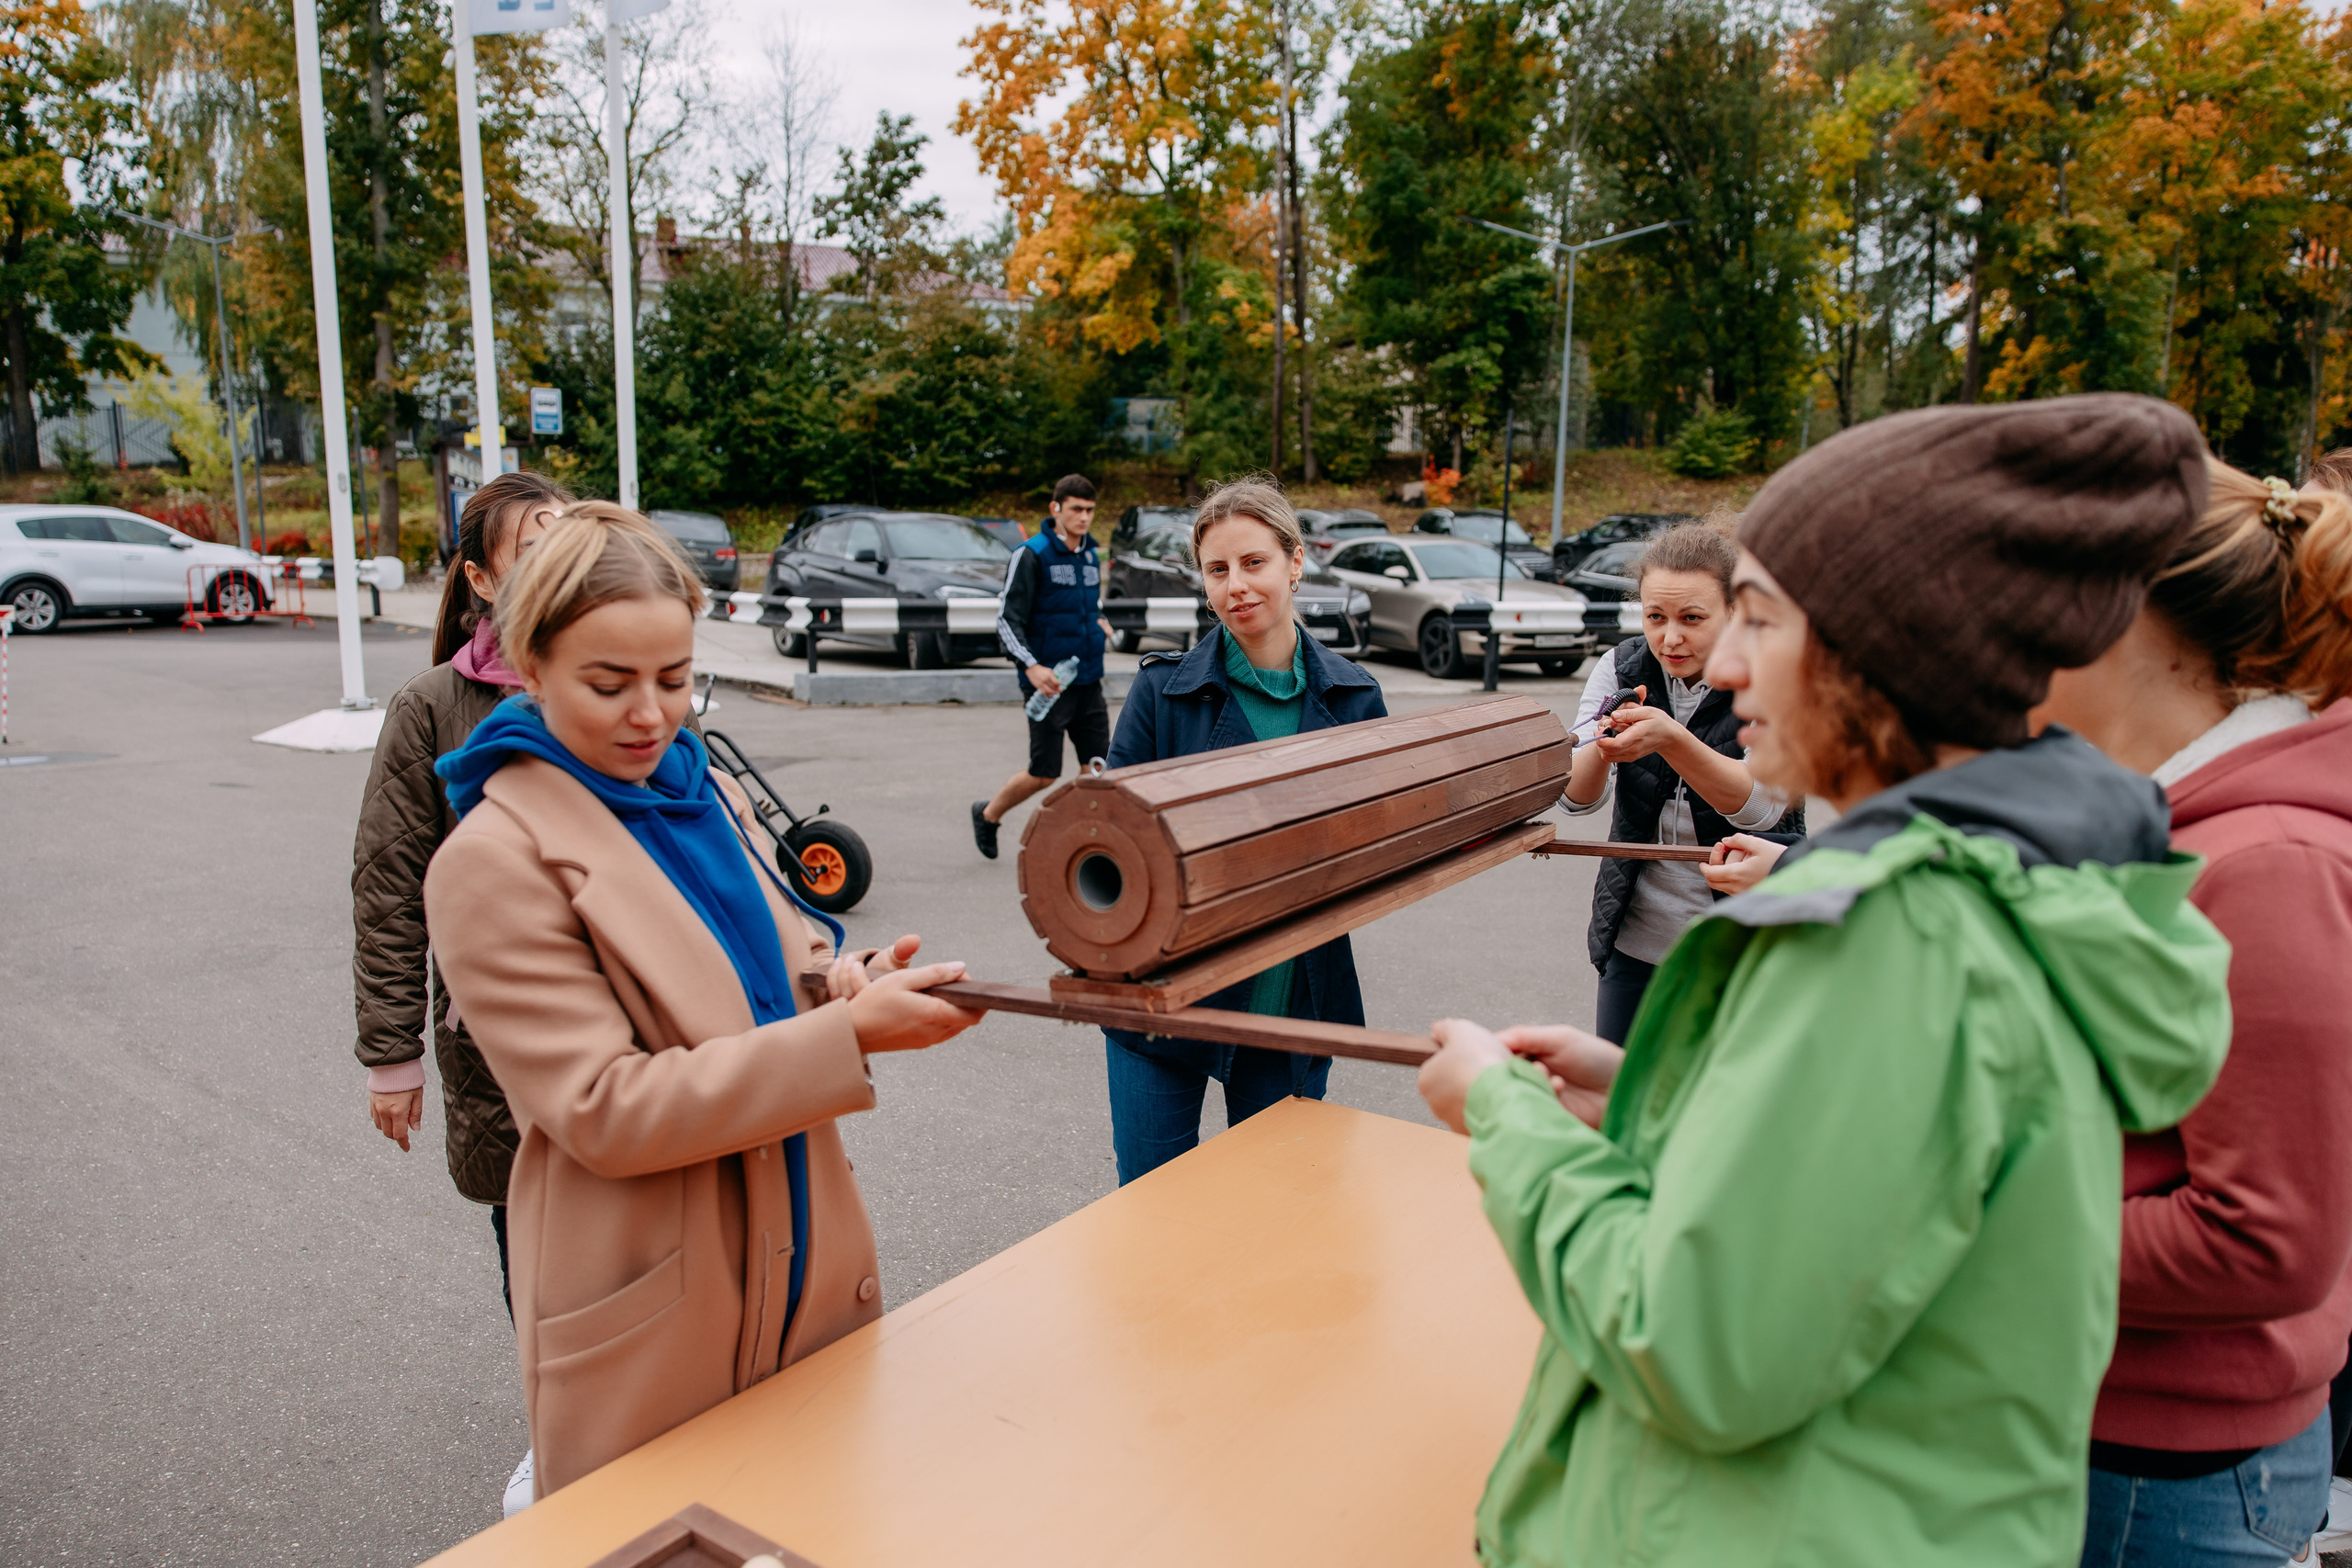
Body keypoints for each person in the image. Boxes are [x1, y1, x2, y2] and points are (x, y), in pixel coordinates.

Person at [1414, 394, 2233, 1568]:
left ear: (1882, 643)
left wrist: (1502, 1120)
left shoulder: (1894, 942)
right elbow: (1872, 1212)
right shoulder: (2011, 892)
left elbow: (1697, 1348)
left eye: (1759, 619)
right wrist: (1664, 1093)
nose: (1727, 661)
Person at [422, 502, 981, 1500]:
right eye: (609, 684)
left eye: (676, 681)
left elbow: (767, 967)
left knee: (814, 1508)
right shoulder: (490, 863)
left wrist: (845, 983)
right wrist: (846, 1036)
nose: (652, 716)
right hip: (656, 1281)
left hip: (800, 1234)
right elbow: (604, 1109)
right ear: (528, 666)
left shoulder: (696, 790)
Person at [2032, 461, 2352, 1568]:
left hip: (2153, 1477)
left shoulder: (2266, 866)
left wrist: (1936, 1230)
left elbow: (2260, 1240)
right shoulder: (2178, 827)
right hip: (2104, 1440)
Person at [1099, 477, 1387, 1184]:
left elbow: (1383, 848)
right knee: (1154, 1211)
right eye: (1218, 570)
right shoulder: (1162, 691)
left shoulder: (1354, 696)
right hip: (1162, 998)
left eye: (1254, 563)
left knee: (1275, 1219)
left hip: (1289, 1002)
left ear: (1295, 562)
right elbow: (1110, 846)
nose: (1237, 586)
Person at [1557, 521, 1802, 1042]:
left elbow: (1762, 809)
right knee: (1620, 1105)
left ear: (1735, 609)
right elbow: (1576, 799)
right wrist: (1601, 744)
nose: (1670, 638)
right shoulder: (1621, 666)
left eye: (1692, 618)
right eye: (1655, 616)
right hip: (1636, 937)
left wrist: (1672, 739)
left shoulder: (1772, 672)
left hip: (1743, 944)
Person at [972, 474, 1109, 858]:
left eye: (1090, 510)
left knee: (1098, 769)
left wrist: (1099, 622)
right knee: (1043, 774)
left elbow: (1085, 605)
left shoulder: (1089, 554)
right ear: (1056, 509)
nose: (1084, 517)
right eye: (1077, 509)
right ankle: (988, 814)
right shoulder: (1031, 554)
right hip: (1048, 685)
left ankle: (1088, 845)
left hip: (1089, 679)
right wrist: (1031, 666)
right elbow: (1006, 620)